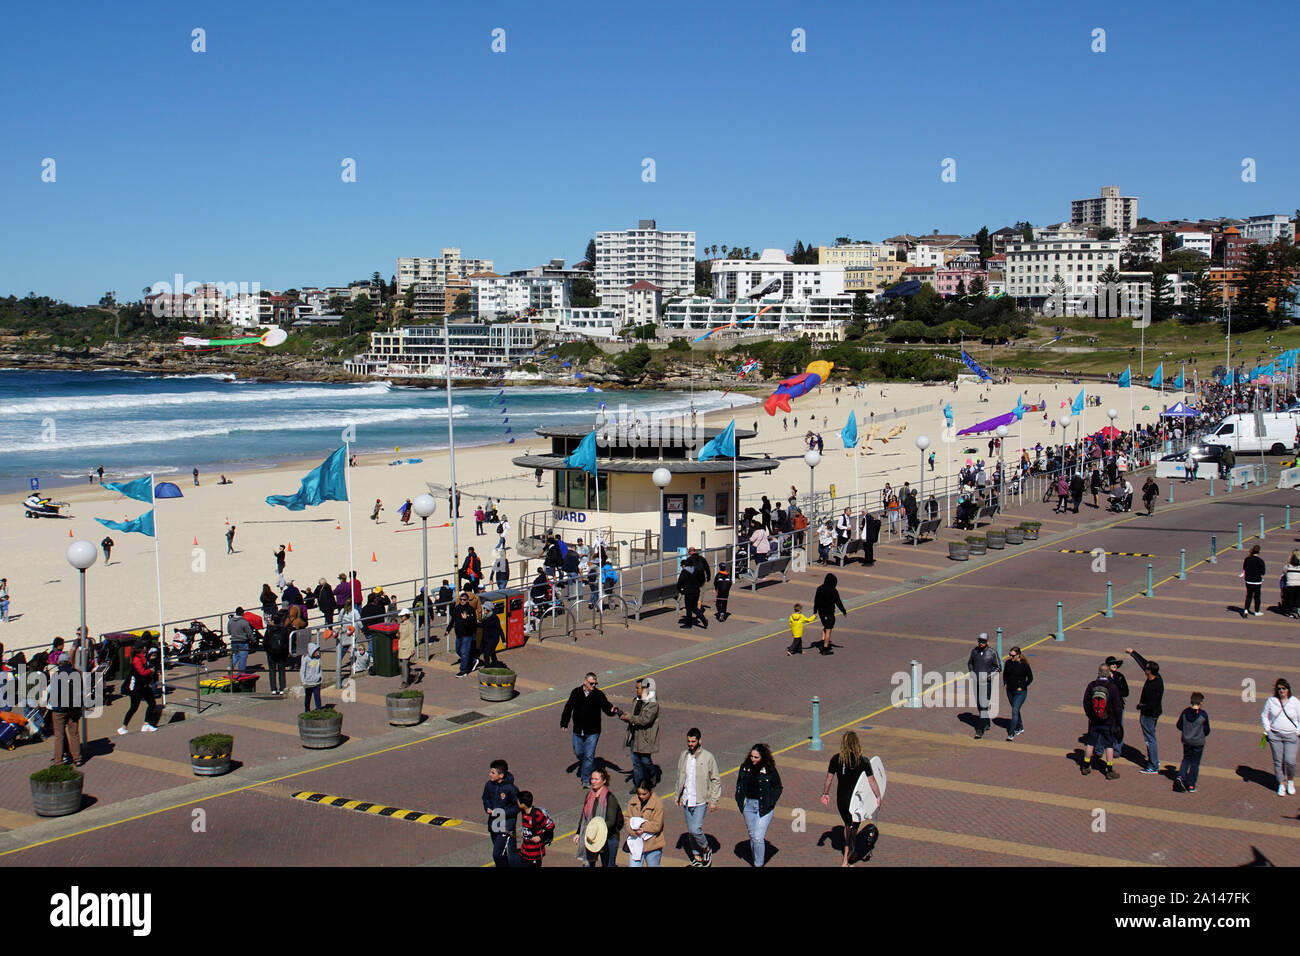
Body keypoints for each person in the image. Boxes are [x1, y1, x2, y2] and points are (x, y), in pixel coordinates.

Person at [821, 731, 880, 866]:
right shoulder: (863, 761)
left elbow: (829, 779)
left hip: (841, 800)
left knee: (848, 825)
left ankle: (850, 851)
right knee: (852, 826)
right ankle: (847, 857)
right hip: (857, 800)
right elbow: (872, 781)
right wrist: (878, 796)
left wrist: (825, 793)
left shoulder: (836, 759)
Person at [560, 672, 619, 787]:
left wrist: (612, 711)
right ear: (585, 682)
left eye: (595, 684)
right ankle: (588, 765)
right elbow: (568, 708)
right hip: (578, 730)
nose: (593, 686)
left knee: (589, 755)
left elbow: (606, 706)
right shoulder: (576, 693)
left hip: (593, 731)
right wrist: (564, 723)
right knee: (578, 752)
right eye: (591, 683)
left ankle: (586, 778)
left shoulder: (598, 695)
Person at [674, 728, 721, 867]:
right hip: (687, 799)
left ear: (700, 740)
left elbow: (715, 779)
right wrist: (677, 795)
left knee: (695, 829)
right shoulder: (684, 755)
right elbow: (680, 776)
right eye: (688, 741)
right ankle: (696, 856)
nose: (690, 744)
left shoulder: (708, 757)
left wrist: (714, 800)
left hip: (701, 799)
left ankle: (706, 849)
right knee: (691, 831)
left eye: (693, 741)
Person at [734, 743, 782, 867]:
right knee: (752, 835)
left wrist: (770, 802)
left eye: (756, 757)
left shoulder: (770, 770)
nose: (753, 759)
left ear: (763, 757)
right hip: (748, 805)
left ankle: (758, 864)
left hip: (764, 807)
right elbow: (739, 784)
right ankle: (756, 860)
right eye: (751, 756)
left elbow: (778, 787)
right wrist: (739, 798)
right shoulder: (744, 768)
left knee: (758, 837)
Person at [1081, 663, 1123, 779]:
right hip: (1108, 721)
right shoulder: (1112, 687)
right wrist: (1118, 721)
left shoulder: (1092, 685)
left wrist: (1090, 715)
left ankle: (1086, 765)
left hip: (1094, 720)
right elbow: (1117, 706)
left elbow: (1086, 702)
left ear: (1098, 673)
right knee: (1109, 745)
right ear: (1108, 673)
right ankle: (1109, 769)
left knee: (1090, 743)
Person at [1126, 647, 1164, 774]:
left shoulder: (1154, 686)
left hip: (1149, 715)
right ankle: (1154, 760)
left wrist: (1140, 706)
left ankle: (1153, 765)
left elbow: (1151, 705)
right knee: (1151, 736)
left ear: (1149, 672)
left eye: (1146, 669)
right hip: (1154, 713)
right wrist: (1133, 653)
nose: (1144, 669)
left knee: (1149, 738)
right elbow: (1143, 663)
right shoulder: (1157, 677)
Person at [575, 767, 622, 867]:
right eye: (592, 779)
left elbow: (611, 820)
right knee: (587, 864)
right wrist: (579, 833)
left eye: (596, 779)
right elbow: (584, 815)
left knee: (608, 864)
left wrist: (598, 831)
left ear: (604, 781)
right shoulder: (589, 795)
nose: (593, 781)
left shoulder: (610, 798)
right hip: (591, 836)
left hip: (609, 837)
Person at [1260, 678, 1300, 796]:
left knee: (1290, 761)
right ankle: (1281, 783)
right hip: (1275, 735)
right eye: (1279, 689)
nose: (1281, 691)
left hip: (1291, 736)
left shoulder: (1294, 702)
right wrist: (1268, 729)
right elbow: (1264, 715)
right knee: (1278, 761)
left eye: (1284, 688)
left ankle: (1290, 781)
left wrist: (1298, 731)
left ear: (1288, 689)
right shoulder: (1271, 701)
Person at [619, 677, 660, 789]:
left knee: (645, 760)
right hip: (634, 735)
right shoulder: (636, 700)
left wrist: (629, 718)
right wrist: (624, 716)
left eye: (638, 688)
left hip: (645, 737)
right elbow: (634, 716)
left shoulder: (652, 704)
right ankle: (639, 785)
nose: (636, 690)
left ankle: (652, 774)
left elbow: (644, 720)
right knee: (636, 762)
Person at [482, 758, 520, 868]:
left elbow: (517, 807)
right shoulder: (489, 785)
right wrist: (487, 807)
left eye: (493, 773)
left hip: (506, 826)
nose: (490, 775)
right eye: (490, 772)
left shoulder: (511, 789)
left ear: (501, 775)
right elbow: (485, 798)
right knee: (501, 853)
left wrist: (502, 812)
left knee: (501, 854)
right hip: (494, 824)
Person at [118, 642, 159, 734]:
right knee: (134, 707)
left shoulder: (143, 657)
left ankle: (145, 724)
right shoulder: (137, 659)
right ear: (141, 648)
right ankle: (124, 726)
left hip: (142, 685)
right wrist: (150, 671)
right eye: (144, 647)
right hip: (137, 687)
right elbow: (142, 672)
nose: (146, 648)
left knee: (151, 703)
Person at [48, 660, 83, 767]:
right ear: (69, 663)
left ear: (59, 664)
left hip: (60, 709)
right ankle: (77, 758)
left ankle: (58, 760)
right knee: (74, 734)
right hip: (73, 708)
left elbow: (54, 693)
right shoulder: (76, 674)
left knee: (59, 735)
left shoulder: (56, 675)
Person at [1174, 692, 1211, 793]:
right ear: (1200, 702)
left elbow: (1178, 725)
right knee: (1195, 763)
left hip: (1186, 740)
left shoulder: (1185, 712)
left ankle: (1181, 776)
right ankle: (1191, 785)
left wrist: (1186, 730)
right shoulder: (1203, 715)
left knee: (1186, 759)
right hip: (1198, 742)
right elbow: (1207, 730)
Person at [967, 633, 1002, 739]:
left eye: (983, 641)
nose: (980, 643)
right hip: (976, 682)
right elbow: (970, 663)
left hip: (986, 683)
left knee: (983, 705)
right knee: (979, 704)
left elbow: (998, 667)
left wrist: (988, 677)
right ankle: (986, 722)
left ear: (987, 642)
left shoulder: (992, 653)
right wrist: (972, 673)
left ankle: (979, 729)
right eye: (979, 641)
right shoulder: (974, 651)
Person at [626, 780, 665, 868]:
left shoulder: (657, 804)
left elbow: (657, 825)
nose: (641, 796)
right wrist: (634, 832)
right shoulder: (633, 801)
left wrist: (642, 828)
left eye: (644, 794)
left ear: (650, 791)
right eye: (639, 794)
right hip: (635, 843)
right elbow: (627, 819)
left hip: (653, 844)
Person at [516, 791, 555, 867]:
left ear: (523, 804)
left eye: (518, 801)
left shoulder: (536, 814)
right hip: (524, 851)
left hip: (535, 853)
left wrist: (540, 837)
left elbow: (551, 826)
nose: (516, 802)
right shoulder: (523, 812)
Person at [445, 593, 479, 677]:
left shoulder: (470, 610)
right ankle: (472, 660)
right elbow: (453, 620)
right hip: (459, 634)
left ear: (467, 600)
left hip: (467, 634)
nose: (462, 601)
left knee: (464, 652)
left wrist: (466, 619)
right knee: (458, 650)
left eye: (464, 600)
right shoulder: (457, 609)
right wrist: (448, 630)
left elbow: (473, 623)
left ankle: (464, 670)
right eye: (461, 599)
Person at [812, 573, 846, 655]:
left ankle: (823, 641)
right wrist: (843, 611)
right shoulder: (833, 590)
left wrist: (815, 611)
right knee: (828, 629)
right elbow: (838, 602)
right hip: (829, 612)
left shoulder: (819, 588)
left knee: (825, 626)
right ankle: (825, 648)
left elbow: (816, 600)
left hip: (821, 612)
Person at [1003, 645, 1033, 741]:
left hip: (1020, 692)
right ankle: (1020, 727)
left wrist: (1022, 687)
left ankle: (1011, 733)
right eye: (1010, 655)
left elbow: (1030, 678)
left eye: (1013, 656)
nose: (1011, 657)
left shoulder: (1024, 665)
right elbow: (1005, 674)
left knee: (1014, 710)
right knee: (1015, 709)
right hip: (1010, 691)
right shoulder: (1008, 663)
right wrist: (1005, 683)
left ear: (1018, 655)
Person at [263, 611, 290, 697]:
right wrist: (286, 651)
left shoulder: (269, 631)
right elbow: (287, 641)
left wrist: (268, 651)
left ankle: (273, 689)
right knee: (281, 671)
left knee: (272, 670)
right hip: (281, 653)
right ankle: (282, 688)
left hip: (271, 653)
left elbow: (265, 643)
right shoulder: (284, 630)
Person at [676, 561, 707, 629]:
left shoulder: (684, 572)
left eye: (681, 565)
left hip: (689, 592)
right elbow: (701, 579)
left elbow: (680, 582)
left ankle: (688, 624)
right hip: (696, 591)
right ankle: (704, 620)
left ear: (684, 565)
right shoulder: (696, 570)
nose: (681, 567)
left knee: (689, 609)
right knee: (695, 608)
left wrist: (680, 590)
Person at [227, 608, 254, 674]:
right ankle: (241, 673)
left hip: (233, 641)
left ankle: (230, 667)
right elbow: (249, 633)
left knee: (235, 655)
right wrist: (253, 639)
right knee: (243, 657)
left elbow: (229, 631)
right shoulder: (244, 622)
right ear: (243, 613)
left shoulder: (230, 621)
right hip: (242, 641)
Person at [396, 607, 418, 687]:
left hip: (407, 647)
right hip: (401, 646)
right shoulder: (401, 624)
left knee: (404, 663)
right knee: (400, 664)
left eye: (402, 616)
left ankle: (405, 682)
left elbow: (412, 637)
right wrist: (398, 635)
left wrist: (412, 649)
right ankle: (413, 673)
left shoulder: (410, 625)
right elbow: (400, 634)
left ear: (406, 616)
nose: (401, 617)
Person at [477, 603, 503, 668]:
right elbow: (482, 625)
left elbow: (499, 629)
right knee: (490, 651)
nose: (483, 610)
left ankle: (487, 667)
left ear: (488, 609)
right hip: (485, 638)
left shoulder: (494, 618)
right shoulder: (485, 617)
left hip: (493, 638)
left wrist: (504, 640)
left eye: (484, 608)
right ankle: (495, 662)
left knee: (486, 653)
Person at [1242, 544, 1265, 617]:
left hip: (1248, 580)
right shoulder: (1260, 561)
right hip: (1257, 581)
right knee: (1257, 596)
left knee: (1249, 595)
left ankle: (1246, 610)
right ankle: (1257, 611)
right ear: (1259, 552)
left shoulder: (1247, 559)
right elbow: (1263, 572)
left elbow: (1244, 568)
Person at [300, 641, 323, 712]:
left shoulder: (318, 658)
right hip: (309, 683)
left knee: (317, 697)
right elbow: (302, 671)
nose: (317, 653)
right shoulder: (306, 659)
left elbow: (320, 669)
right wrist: (303, 681)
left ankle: (319, 709)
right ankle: (307, 709)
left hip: (317, 682)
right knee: (308, 697)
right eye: (315, 651)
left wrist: (321, 677)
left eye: (317, 651)